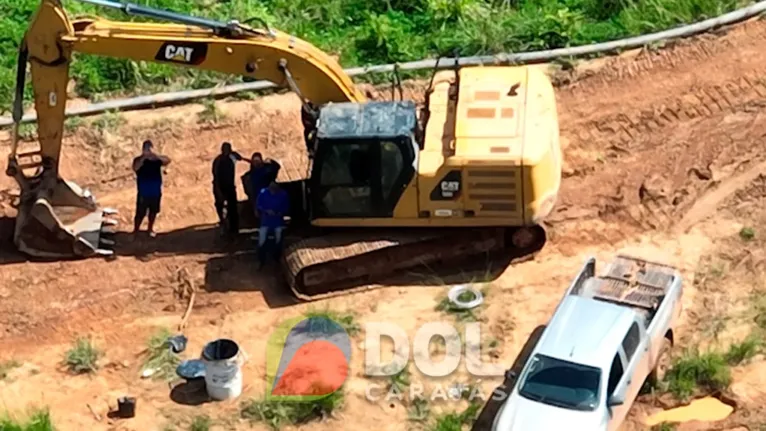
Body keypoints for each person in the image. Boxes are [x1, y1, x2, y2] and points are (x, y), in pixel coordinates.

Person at [132, 139, 170, 238]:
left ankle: (150, 229)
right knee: (140, 213)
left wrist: (155, 156)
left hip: (155, 191)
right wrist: (143, 158)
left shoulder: (156, 160)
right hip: (143, 192)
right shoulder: (138, 160)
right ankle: (136, 230)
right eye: (146, 148)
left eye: (150, 148)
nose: (148, 151)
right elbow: (135, 168)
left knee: (153, 212)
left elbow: (167, 161)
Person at [212, 142, 245, 236]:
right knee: (220, 207)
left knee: (233, 208)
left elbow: (240, 157)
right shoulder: (218, 160)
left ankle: (234, 229)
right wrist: (218, 190)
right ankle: (223, 225)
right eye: (225, 149)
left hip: (230, 186)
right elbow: (215, 176)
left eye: (228, 149)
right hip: (220, 186)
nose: (226, 151)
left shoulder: (232, 157)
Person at [256, 180, 289, 267]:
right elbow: (259, 205)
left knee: (279, 237)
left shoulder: (283, 194)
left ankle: (277, 258)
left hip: (278, 222)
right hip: (266, 221)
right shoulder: (263, 193)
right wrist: (266, 211)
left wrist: (279, 212)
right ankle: (261, 260)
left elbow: (286, 207)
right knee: (261, 238)